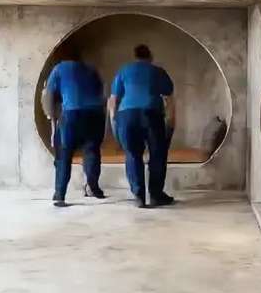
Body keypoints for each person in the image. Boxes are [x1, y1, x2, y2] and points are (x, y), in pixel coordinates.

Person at [109, 44, 175, 208]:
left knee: (132, 154)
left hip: (127, 116)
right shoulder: (158, 71)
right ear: (150, 56)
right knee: (157, 154)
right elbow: (169, 98)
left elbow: (113, 100)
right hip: (151, 113)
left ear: (135, 56)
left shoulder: (123, 71)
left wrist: (114, 120)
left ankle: (138, 196)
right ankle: (156, 195)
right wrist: (171, 121)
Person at [45, 49, 106, 207]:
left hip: (72, 113)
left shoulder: (59, 69)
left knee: (64, 154)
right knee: (92, 151)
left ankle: (60, 195)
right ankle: (93, 187)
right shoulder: (91, 70)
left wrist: (52, 123)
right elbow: (100, 92)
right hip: (96, 114)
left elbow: (49, 97)